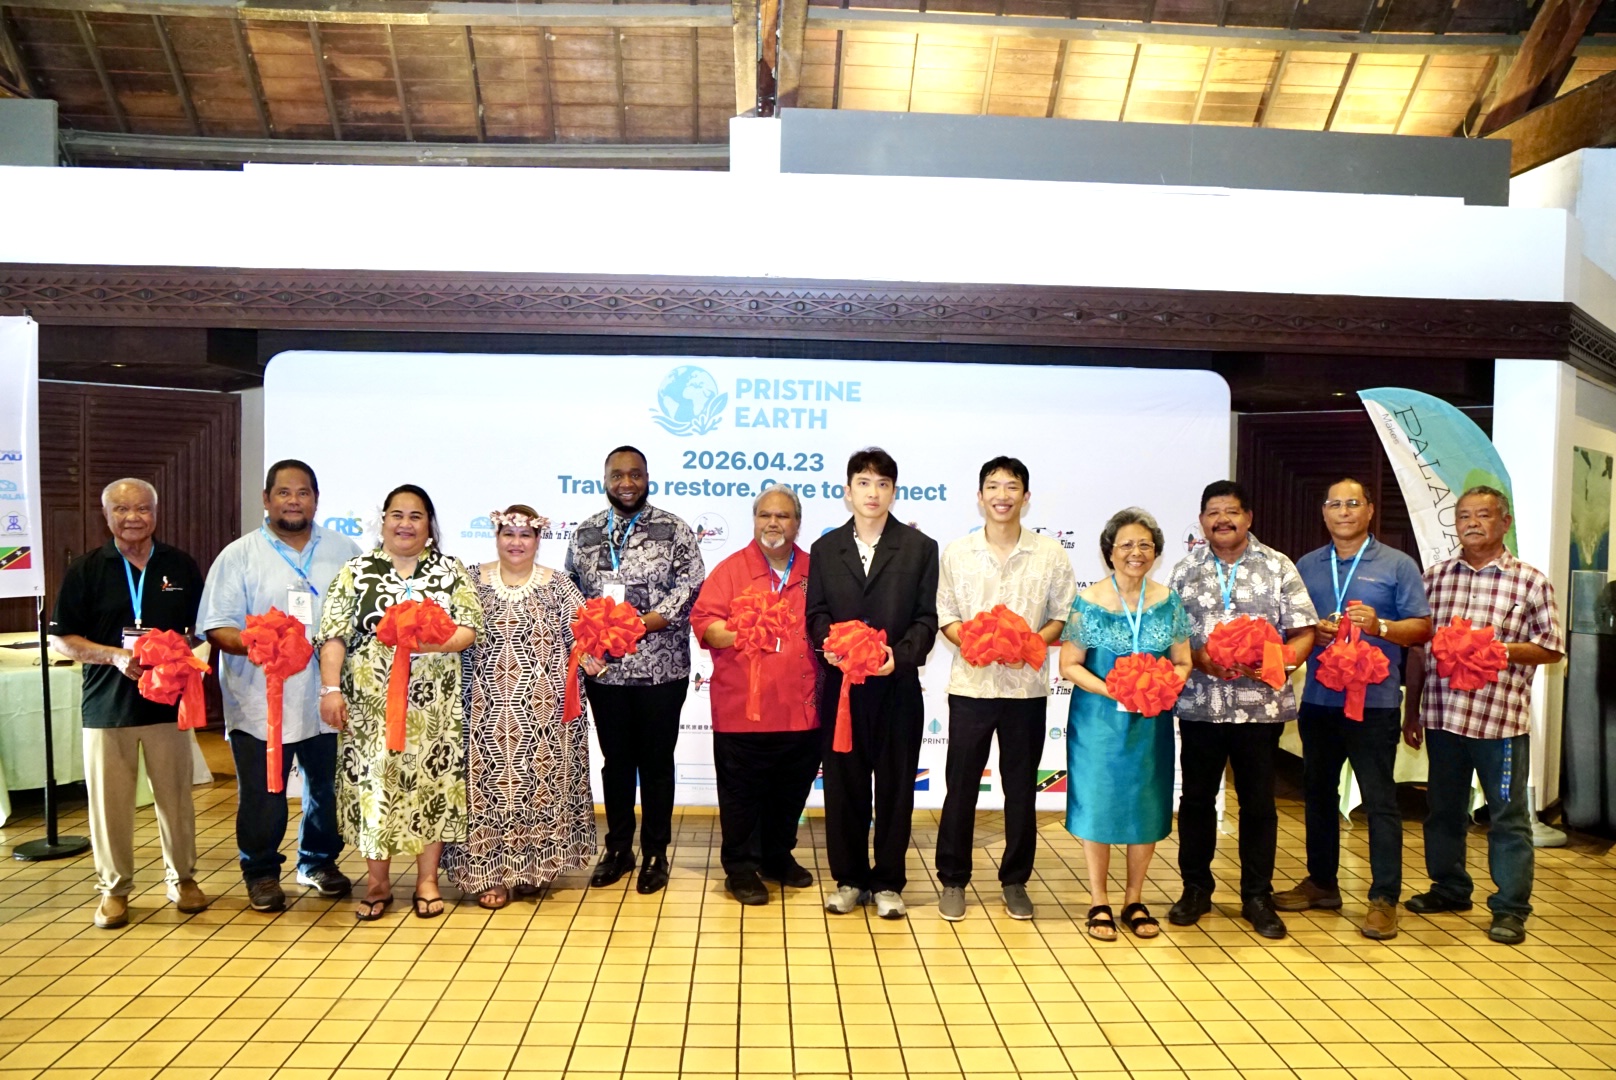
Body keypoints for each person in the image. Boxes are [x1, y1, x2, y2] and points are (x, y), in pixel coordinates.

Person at [198, 459, 360, 913]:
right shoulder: (239, 555)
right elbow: (216, 627)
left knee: (328, 789)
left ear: (316, 499)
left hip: (327, 696)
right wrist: (258, 643)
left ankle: (318, 862)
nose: (294, 501)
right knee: (264, 793)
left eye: (303, 492)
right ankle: (261, 872)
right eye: (284, 492)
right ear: (266, 499)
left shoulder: (344, 550)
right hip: (259, 700)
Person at [1403, 486, 1563, 945]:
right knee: (1443, 811)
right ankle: (1450, 888)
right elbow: (1418, 651)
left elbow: (1551, 648)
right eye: (1465, 515)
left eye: (1484, 515)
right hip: (1442, 717)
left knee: (1507, 817)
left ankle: (1511, 908)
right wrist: (1411, 711)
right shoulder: (1434, 578)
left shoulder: (1530, 581)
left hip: (1500, 723)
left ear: (1504, 522)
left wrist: (1497, 650)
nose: (1473, 523)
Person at [48, 478, 208, 930]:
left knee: (176, 799)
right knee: (109, 804)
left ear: (156, 512)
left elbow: (201, 627)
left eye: (142, 508)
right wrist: (116, 656)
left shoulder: (179, 565)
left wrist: (179, 656)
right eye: (122, 510)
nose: (133, 517)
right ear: (106, 515)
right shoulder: (86, 569)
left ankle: (184, 880)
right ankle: (114, 890)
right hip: (106, 707)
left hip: (166, 706)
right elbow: (62, 640)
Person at [316, 485, 482, 920]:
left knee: (432, 786)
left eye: (416, 516)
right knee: (376, 790)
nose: (405, 524)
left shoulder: (450, 571)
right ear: (383, 521)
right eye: (396, 515)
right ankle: (377, 882)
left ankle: (427, 880)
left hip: (433, 709)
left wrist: (429, 642)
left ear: (430, 526)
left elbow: (469, 628)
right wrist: (330, 689)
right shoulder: (356, 570)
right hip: (370, 707)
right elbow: (333, 635)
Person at [1275, 479, 1431, 940]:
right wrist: (1314, 632)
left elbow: (1421, 629)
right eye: (1334, 504)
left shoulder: (1398, 565)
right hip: (1320, 701)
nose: (1343, 511)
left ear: (1368, 512)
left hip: (1376, 702)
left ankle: (1384, 898)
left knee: (1380, 803)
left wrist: (1381, 625)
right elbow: (1292, 626)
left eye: (1352, 504)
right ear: (1324, 513)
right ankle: (1322, 883)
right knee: (1318, 794)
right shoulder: (1305, 565)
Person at [1167, 480, 1316, 940]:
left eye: (1231, 511)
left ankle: (1257, 895)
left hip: (1259, 709)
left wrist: (1272, 661)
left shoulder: (1278, 566)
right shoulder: (1185, 569)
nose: (1222, 520)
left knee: (1258, 805)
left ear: (1249, 517)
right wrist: (1198, 656)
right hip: (1200, 706)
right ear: (1201, 520)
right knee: (1195, 802)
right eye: (1213, 512)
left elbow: (1304, 631)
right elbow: (1167, 634)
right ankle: (1195, 889)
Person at [933, 457, 1075, 922]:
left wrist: (1032, 643)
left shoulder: (1049, 554)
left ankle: (1015, 880)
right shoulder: (957, 552)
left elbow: (1062, 614)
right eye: (992, 486)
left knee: (1021, 790)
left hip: (1026, 692)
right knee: (960, 789)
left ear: (1025, 497)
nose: (1002, 495)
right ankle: (953, 879)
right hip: (971, 687)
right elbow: (945, 615)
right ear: (979, 497)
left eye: (1011, 487)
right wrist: (973, 643)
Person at [806, 447, 939, 919]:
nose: (873, 492)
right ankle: (848, 879)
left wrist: (896, 658)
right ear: (848, 491)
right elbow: (816, 614)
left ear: (893, 492)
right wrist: (832, 645)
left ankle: (887, 881)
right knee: (844, 787)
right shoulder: (825, 549)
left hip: (896, 688)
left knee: (897, 787)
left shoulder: (920, 548)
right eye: (864, 482)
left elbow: (926, 619)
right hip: (842, 690)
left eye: (883, 484)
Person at [443, 505, 598, 909]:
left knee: (539, 789)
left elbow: (582, 637)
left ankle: (531, 868)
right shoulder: (470, 581)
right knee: (485, 792)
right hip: (482, 711)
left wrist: (595, 655)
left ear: (538, 539)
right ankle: (489, 874)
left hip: (545, 716)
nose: (516, 542)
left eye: (525, 535)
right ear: (495, 535)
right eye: (508, 534)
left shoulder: (560, 585)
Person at [565, 447, 704, 895]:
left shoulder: (675, 529)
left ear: (648, 477)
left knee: (658, 764)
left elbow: (691, 588)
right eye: (617, 474)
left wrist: (637, 624)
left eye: (635, 474)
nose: (626, 482)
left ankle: (657, 852)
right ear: (604, 478)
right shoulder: (585, 533)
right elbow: (570, 591)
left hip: (661, 670)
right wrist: (591, 635)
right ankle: (618, 849)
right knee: (616, 763)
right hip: (605, 672)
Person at [1059, 508, 1192, 940]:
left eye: (1145, 545)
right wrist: (1114, 690)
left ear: (1156, 552)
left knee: (1145, 803)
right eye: (1126, 546)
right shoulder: (1089, 601)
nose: (1136, 553)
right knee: (1097, 803)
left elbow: (1183, 661)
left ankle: (1134, 898)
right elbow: (1069, 665)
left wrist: (1160, 685)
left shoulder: (1168, 601)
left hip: (1150, 722)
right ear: (1109, 553)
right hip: (1098, 722)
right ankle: (1098, 899)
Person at [690, 485, 821, 906]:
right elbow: (705, 624)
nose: (773, 523)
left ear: (797, 523)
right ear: (754, 520)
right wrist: (743, 632)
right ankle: (742, 868)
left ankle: (777, 857)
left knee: (791, 791)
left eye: (783, 516)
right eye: (765, 515)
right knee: (742, 796)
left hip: (802, 709)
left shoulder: (816, 572)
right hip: (742, 710)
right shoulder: (730, 569)